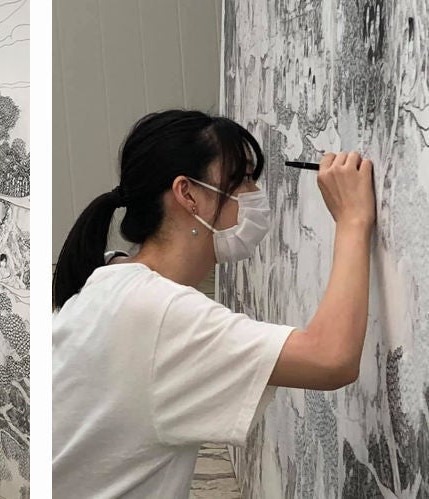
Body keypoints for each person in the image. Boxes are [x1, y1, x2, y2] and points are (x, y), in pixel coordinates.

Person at [52, 110, 376, 498]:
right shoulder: (157, 312)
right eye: (242, 180)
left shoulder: (112, 274)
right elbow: (330, 358)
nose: (255, 196)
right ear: (188, 194)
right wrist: (353, 221)